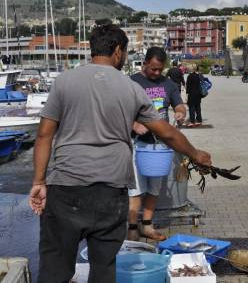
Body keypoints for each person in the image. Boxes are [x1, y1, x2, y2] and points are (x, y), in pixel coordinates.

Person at [29, 25, 212, 283]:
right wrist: (196, 154)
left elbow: (44, 135)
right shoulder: (131, 88)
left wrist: (39, 182)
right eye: (124, 51)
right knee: (104, 269)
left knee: (55, 271)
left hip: (65, 189)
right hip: (110, 192)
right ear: (118, 51)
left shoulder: (64, 82)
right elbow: (167, 133)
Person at [128, 47, 187, 242]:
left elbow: (178, 104)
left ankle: (147, 226)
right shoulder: (132, 82)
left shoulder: (168, 84)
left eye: (159, 69)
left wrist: (180, 112)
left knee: (154, 189)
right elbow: (118, 111)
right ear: (144, 63)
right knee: (135, 190)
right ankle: (132, 227)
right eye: (152, 68)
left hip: (160, 147)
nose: (156, 73)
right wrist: (134, 124)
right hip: (137, 144)